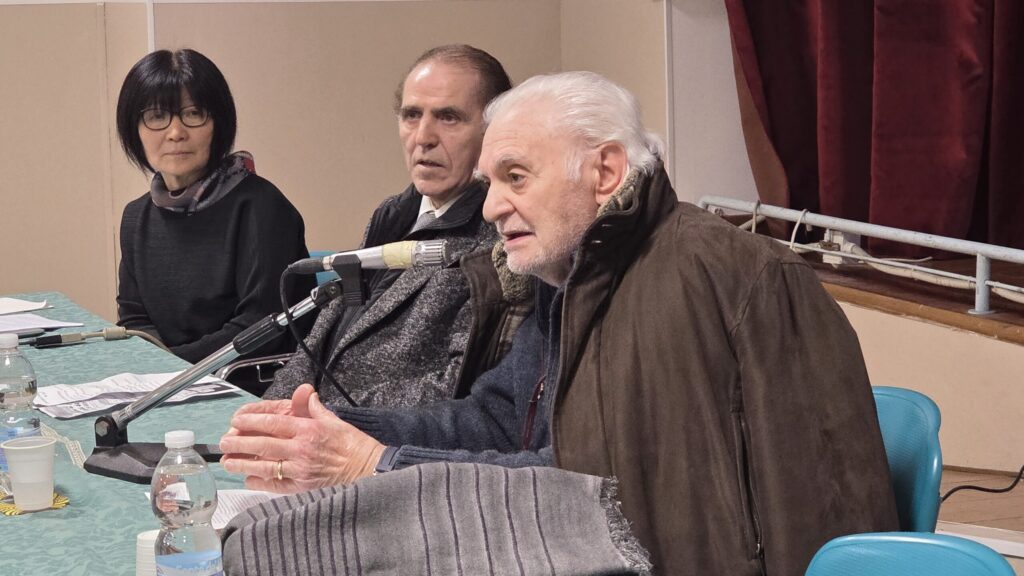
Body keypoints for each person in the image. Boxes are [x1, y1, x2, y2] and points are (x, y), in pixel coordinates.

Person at [220, 72, 898, 575]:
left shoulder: (706, 279)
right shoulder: (570, 271)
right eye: (491, 183)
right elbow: (496, 419)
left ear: (605, 172)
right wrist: (344, 429)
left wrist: (376, 465)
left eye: (516, 177)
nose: (492, 206)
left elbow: (600, 496)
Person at [262, 45, 528, 407]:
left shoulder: (499, 237)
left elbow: (457, 389)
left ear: (494, 130)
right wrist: (268, 409)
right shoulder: (393, 213)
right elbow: (321, 339)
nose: (423, 137)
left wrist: (324, 416)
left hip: (370, 432)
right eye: (412, 115)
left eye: (448, 117)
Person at [115, 49, 314, 363]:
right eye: (157, 117)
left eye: (193, 113)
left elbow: (261, 329)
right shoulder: (136, 218)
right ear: (134, 129)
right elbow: (134, 321)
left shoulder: (262, 208)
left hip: (249, 380)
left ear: (219, 123)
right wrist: (160, 370)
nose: (176, 133)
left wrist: (170, 368)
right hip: (168, 379)